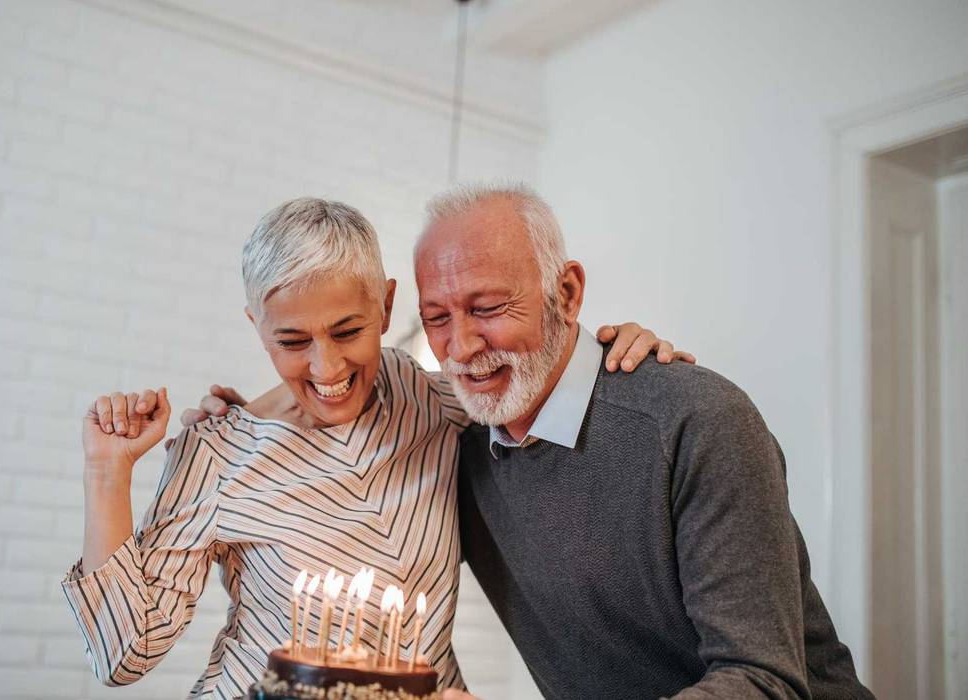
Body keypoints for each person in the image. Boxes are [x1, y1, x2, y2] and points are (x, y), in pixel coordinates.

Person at [191, 183, 872, 699]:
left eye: (488, 308)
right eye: (436, 318)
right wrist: (239, 421)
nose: (460, 347)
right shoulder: (456, 446)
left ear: (567, 292)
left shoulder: (693, 420)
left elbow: (762, 682)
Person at [61, 196, 683, 698]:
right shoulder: (219, 452)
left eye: (347, 330)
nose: (325, 365)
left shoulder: (431, 400)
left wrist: (617, 358)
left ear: (386, 307)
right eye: (292, 340)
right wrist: (105, 473)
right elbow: (123, 655)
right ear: (257, 328)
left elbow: (529, 384)